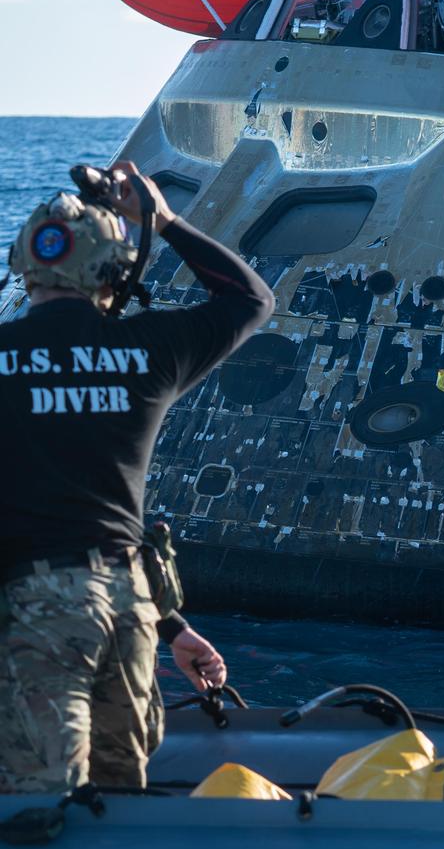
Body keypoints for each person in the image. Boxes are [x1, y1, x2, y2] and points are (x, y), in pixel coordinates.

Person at [1, 162, 271, 795]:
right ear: (115, 271)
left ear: (26, 264)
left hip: (37, 609)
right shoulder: (150, 349)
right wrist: (166, 220)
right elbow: (250, 300)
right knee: (122, 798)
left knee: (40, 805)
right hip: (130, 609)